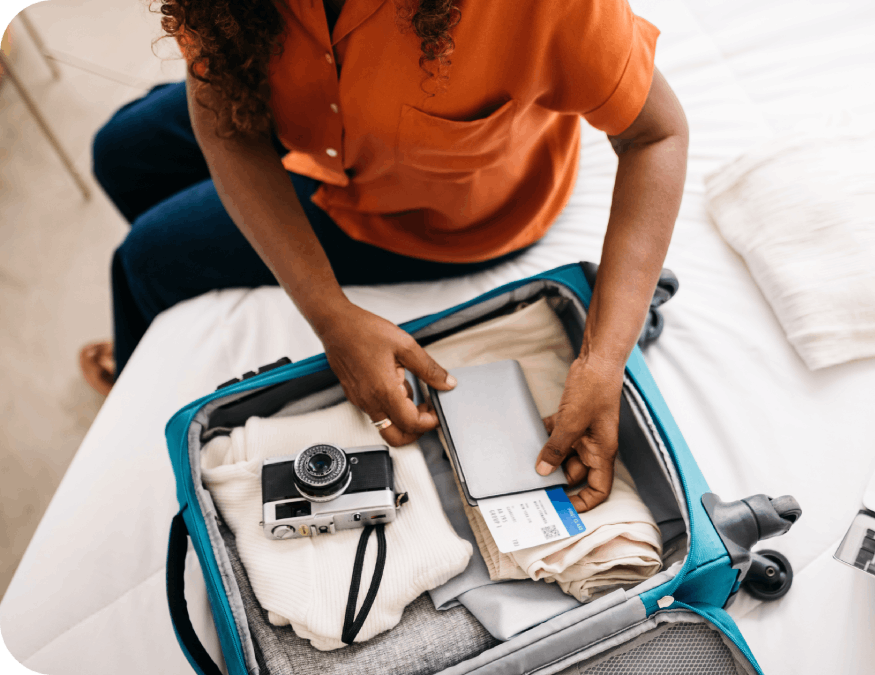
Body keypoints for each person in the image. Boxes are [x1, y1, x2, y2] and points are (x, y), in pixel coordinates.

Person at [80, 0, 687, 512]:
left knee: (144, 261)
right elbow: (225, 127)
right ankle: (152, 345)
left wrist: (606, 359)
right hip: (295, 110)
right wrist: (328, 314)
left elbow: (656, 133)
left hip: (432, 217)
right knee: (119, 153)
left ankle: (134, 368)